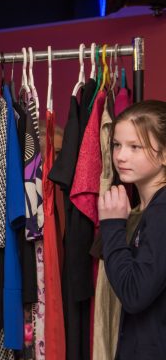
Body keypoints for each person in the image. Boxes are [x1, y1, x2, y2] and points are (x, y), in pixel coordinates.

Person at [98, 100, 166, 359]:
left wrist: (113, 225)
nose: (120, 156)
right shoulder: (150, 208)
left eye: (135, 147)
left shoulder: (162, 211)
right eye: (117, 144)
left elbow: (135, 294)